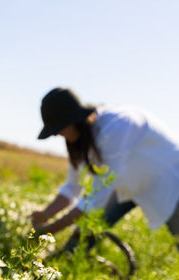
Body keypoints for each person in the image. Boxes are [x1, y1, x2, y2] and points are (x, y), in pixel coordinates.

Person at [31, 87, 179, 250]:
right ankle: (66, 262)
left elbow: (96, 199)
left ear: (74, 120)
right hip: (127, 185)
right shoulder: (82, 138)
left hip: (169, 181)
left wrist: (50, 230)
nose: (57, 134)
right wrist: (46, 214)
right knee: (84, 235)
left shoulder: (116, 128)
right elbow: (73, 187)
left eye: (58, 128)